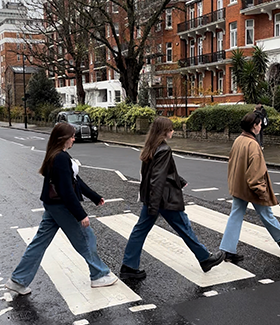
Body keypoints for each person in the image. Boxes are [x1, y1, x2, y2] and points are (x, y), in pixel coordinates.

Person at [5, 123, 117, 296]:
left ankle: (18, 280)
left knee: (39, 242)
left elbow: (75, 180)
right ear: (63, 139)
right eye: (72, 136)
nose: (74, 138)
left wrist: (94, 196)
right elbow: (66, 191)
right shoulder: (60, 158)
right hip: (61, 206)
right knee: (86, 238)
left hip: (52, 205)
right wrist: (81, 215)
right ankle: (99, 274)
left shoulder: (58, 155)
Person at [120, 116, 224, 280]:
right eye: (171, 129)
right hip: (164, 199)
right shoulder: (164, 150)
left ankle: (129, 266)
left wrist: (179, 180)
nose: (173, 131)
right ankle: (205, 258)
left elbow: (155, 173)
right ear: (165, 132)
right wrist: (154, 206)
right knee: (184, 226)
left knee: (140, 230)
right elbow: (157, 178)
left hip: (152, 198)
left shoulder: (151, 147)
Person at [219, 112, 280, 263]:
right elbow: (255, 171)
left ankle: (227, 249)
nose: (261, 127)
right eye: (259, 124)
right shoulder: (253, 145)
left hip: (239, 186)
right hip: (251, 187)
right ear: (254, 126)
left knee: (237, 215)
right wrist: (260, 190)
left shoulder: (239, 140)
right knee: (265, 211)